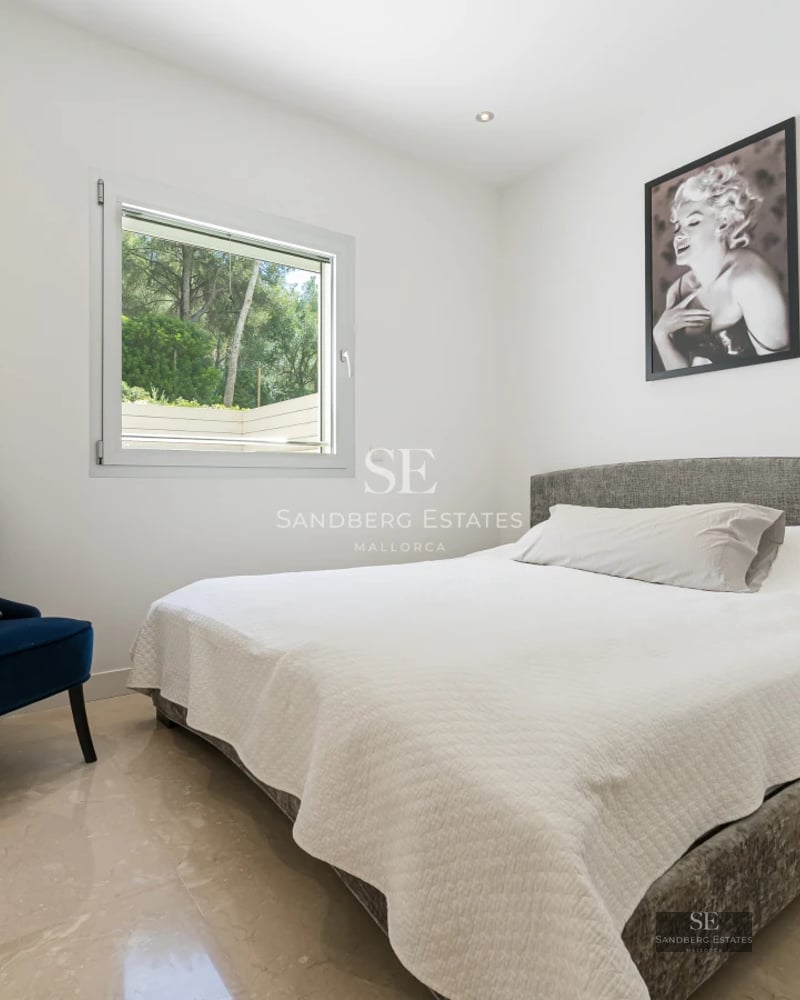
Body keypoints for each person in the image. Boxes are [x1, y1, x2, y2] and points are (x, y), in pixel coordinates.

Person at [653, 162, 789, 369]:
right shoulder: (678, 292)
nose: (679, 235)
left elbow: (782, 373)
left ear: (723, 222)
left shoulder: (750, 281)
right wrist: (660, 335)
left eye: (693, 222)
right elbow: (682, 382)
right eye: (677, 227)